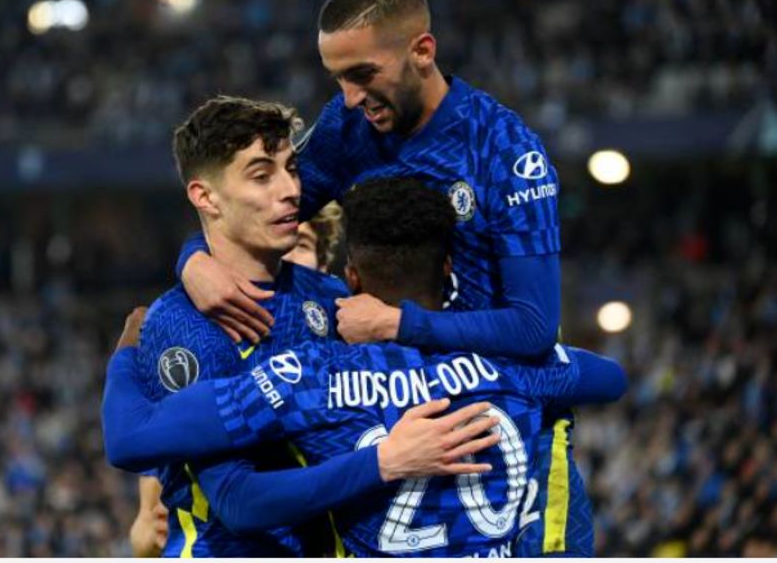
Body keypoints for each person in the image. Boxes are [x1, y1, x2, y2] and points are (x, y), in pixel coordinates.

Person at [176, 0, 591, 555]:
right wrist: (193, 258)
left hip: (513, 438)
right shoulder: (350, 128)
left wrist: (398, 323)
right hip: (391, 425)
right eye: (338, 78)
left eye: (363, 75)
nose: (349, 97)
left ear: (422, 51)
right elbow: (263, 214)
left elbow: (533, 327)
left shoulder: (505, 153)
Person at [103, 177, 628, 557]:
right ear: (447, 268)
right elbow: (610, 378)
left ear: (350, 277)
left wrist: (127, 354)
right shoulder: (513, 364)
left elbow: (132, 441)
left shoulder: (310, 376)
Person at [123, 96, 498, 557]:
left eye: (292, 169)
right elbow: (237, 502)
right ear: (205, 197)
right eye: (262, 175)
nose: (290, 190)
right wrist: (385, 462)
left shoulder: (329, 296)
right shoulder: (183, 323)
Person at [128, 199, 345, 557]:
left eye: (301, 244)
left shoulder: (345, 343)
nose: (284, 256)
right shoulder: (198, 342)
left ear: (322, 267)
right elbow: (150, 525)